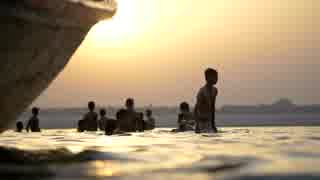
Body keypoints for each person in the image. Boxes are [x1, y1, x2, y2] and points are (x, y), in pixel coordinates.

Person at [194, 68, 218, 133]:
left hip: (209, 121)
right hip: (201, 121)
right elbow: (196, 108)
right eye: (214, 77)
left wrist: (213, 124)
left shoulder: (215, 90)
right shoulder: (202, 91)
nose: (216, 79)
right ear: (207, 78)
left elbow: (212, 107)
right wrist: (197, 125)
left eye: (217, 77)